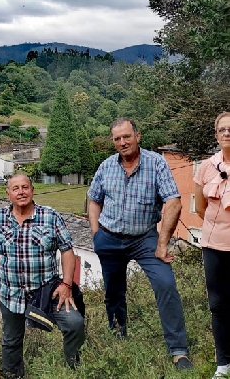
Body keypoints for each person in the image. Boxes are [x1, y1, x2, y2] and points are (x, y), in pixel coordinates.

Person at [87, 117, 192, 370]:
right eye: (117, 139)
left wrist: (162, 244)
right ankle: (118, 333)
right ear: (113, 142)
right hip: (109, 238)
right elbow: (93, 199)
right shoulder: (106, 166)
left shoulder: (156, 163)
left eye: (127, 136)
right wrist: (96, 234)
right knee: (113, 291)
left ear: (137, 136)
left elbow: (174, 201)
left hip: (145, 238)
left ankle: (178, 350)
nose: (123, 142)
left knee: (166, 284)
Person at [0, 173, 85, 379]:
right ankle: (12, 375)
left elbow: (67, 249)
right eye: (16, 188)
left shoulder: (50, 216)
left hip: (46, 291)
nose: (21, 192)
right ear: (8, 194)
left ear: (32, 190)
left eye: (25, 187)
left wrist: (66, 284)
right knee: (11, 340)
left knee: (74, 324)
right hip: (10, 292)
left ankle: (73, 369)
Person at [194, 111, 230, 378]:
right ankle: (223, 363)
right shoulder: (206, 166)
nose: (227, 134)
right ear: (216, 135)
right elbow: (200, 207)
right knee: (218, 304)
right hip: (213, 245)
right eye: (222, 130)